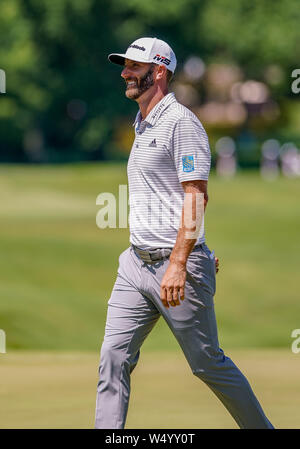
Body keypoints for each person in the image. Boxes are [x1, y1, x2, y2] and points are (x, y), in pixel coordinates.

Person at [94, 37, 273, 429]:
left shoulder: (182, 123)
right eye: (124, 66)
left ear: (159, 71)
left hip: (174, 269)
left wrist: (183, 261)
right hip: (134, 264)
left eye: (134, 67)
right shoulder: (142, 121)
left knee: (207, 364)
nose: (125, 73)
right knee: (113, 357)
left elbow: (195, 197)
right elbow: (164, 197)